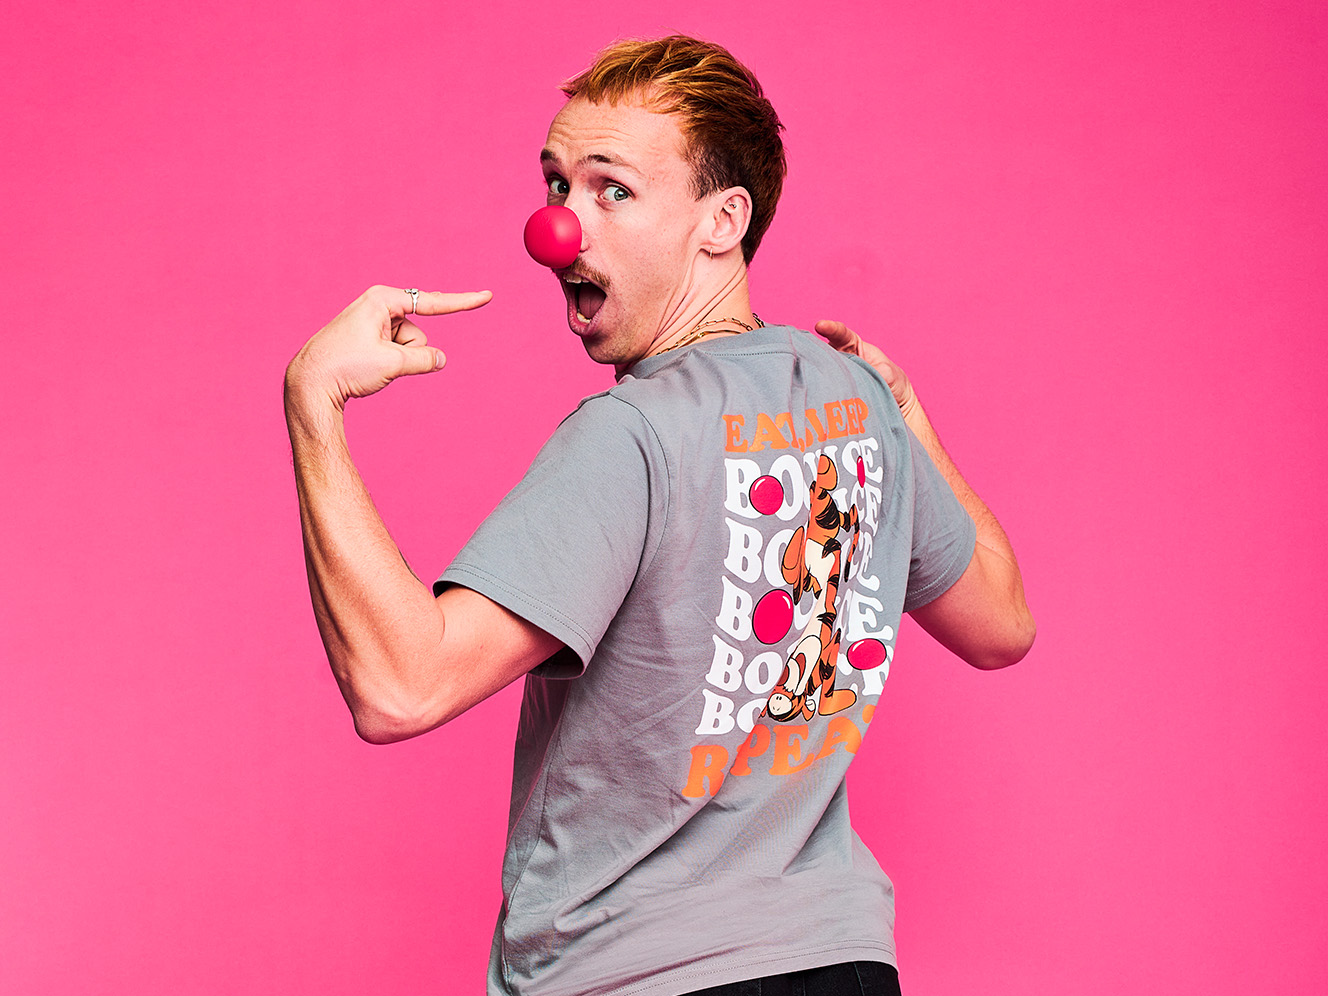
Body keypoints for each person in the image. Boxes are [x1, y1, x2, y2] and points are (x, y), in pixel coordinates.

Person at [284, 35, 1034, 996]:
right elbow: (1003, 626)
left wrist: (313, 404)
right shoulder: (858, 402)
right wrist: (904, 417)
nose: (559, 228)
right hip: (840, 962)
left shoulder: (630, 435)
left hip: (638, 973)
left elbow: (400, 687)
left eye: (614, 190)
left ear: (723, 220)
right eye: (558, 184)